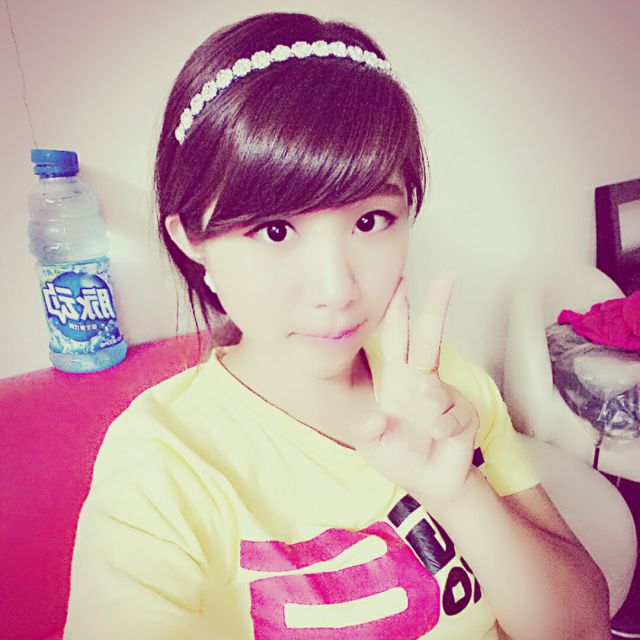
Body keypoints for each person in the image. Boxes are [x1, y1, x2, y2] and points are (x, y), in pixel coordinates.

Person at [63, 11, 611, 640]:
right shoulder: (160, 461)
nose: (337, 290)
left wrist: (461, 492)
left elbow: (582, 628)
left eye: (371, 220)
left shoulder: (442, 386)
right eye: (274, 230)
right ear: (192, 239)